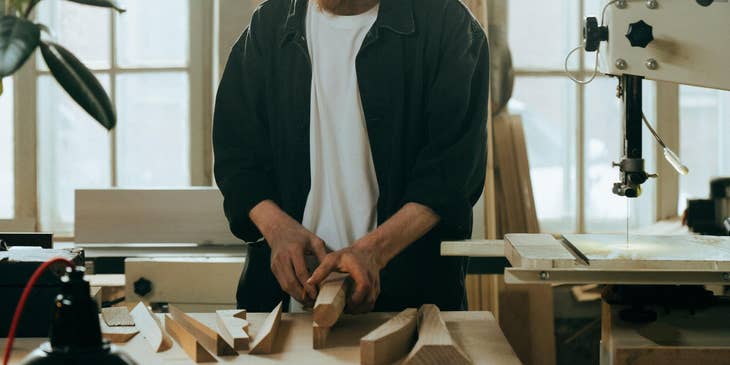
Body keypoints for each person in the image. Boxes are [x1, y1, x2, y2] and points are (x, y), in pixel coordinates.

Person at [213, 0, 489, 313]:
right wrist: (278, 230)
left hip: (410, 306)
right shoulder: (268, 26)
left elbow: (452, 173)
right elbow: (237, 158)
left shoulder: (449, 26)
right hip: (283, 304)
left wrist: (373, 251)